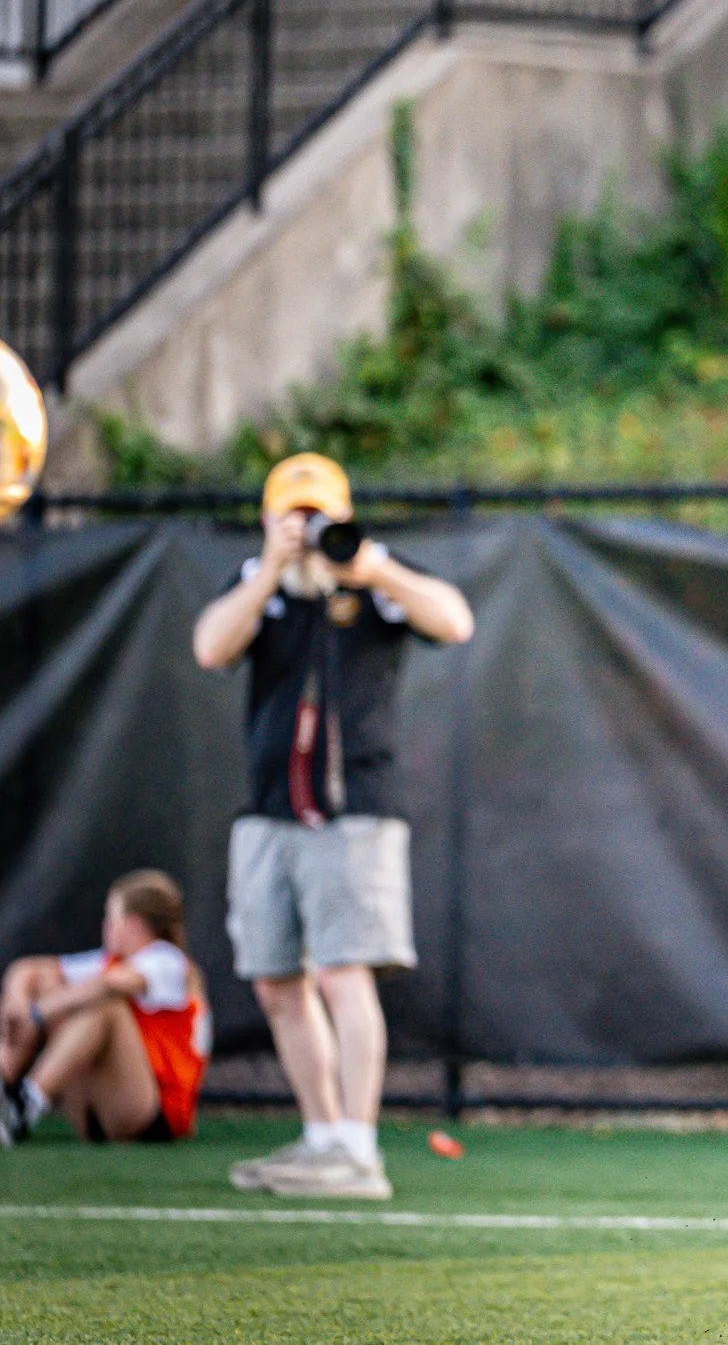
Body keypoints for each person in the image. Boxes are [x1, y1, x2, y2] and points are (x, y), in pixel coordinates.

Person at [192, 452, 474, 1201]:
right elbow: (211, 646)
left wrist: (373, 569)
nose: (308, 529)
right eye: (293, 515)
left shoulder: (371, 582)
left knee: (346, 973)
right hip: (269, 814)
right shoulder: (260, 586)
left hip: (354, 815)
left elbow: (454, 619)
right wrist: (269, 570)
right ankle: (321, 1138)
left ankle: (358, 1143)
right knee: (278, 983)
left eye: (319, 515)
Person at [0, 870, 211, 1148]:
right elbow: (28, 969)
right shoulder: (113, 961)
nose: (105, 926)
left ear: (133, 924)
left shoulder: (168, 961)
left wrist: (36, 1014)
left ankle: (19, 1109)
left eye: (111, 917)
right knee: (49, 984)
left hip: (152, 1117)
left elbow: (108, 987)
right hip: (103, 1108)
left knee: (103, 1005)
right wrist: (17, 1001)